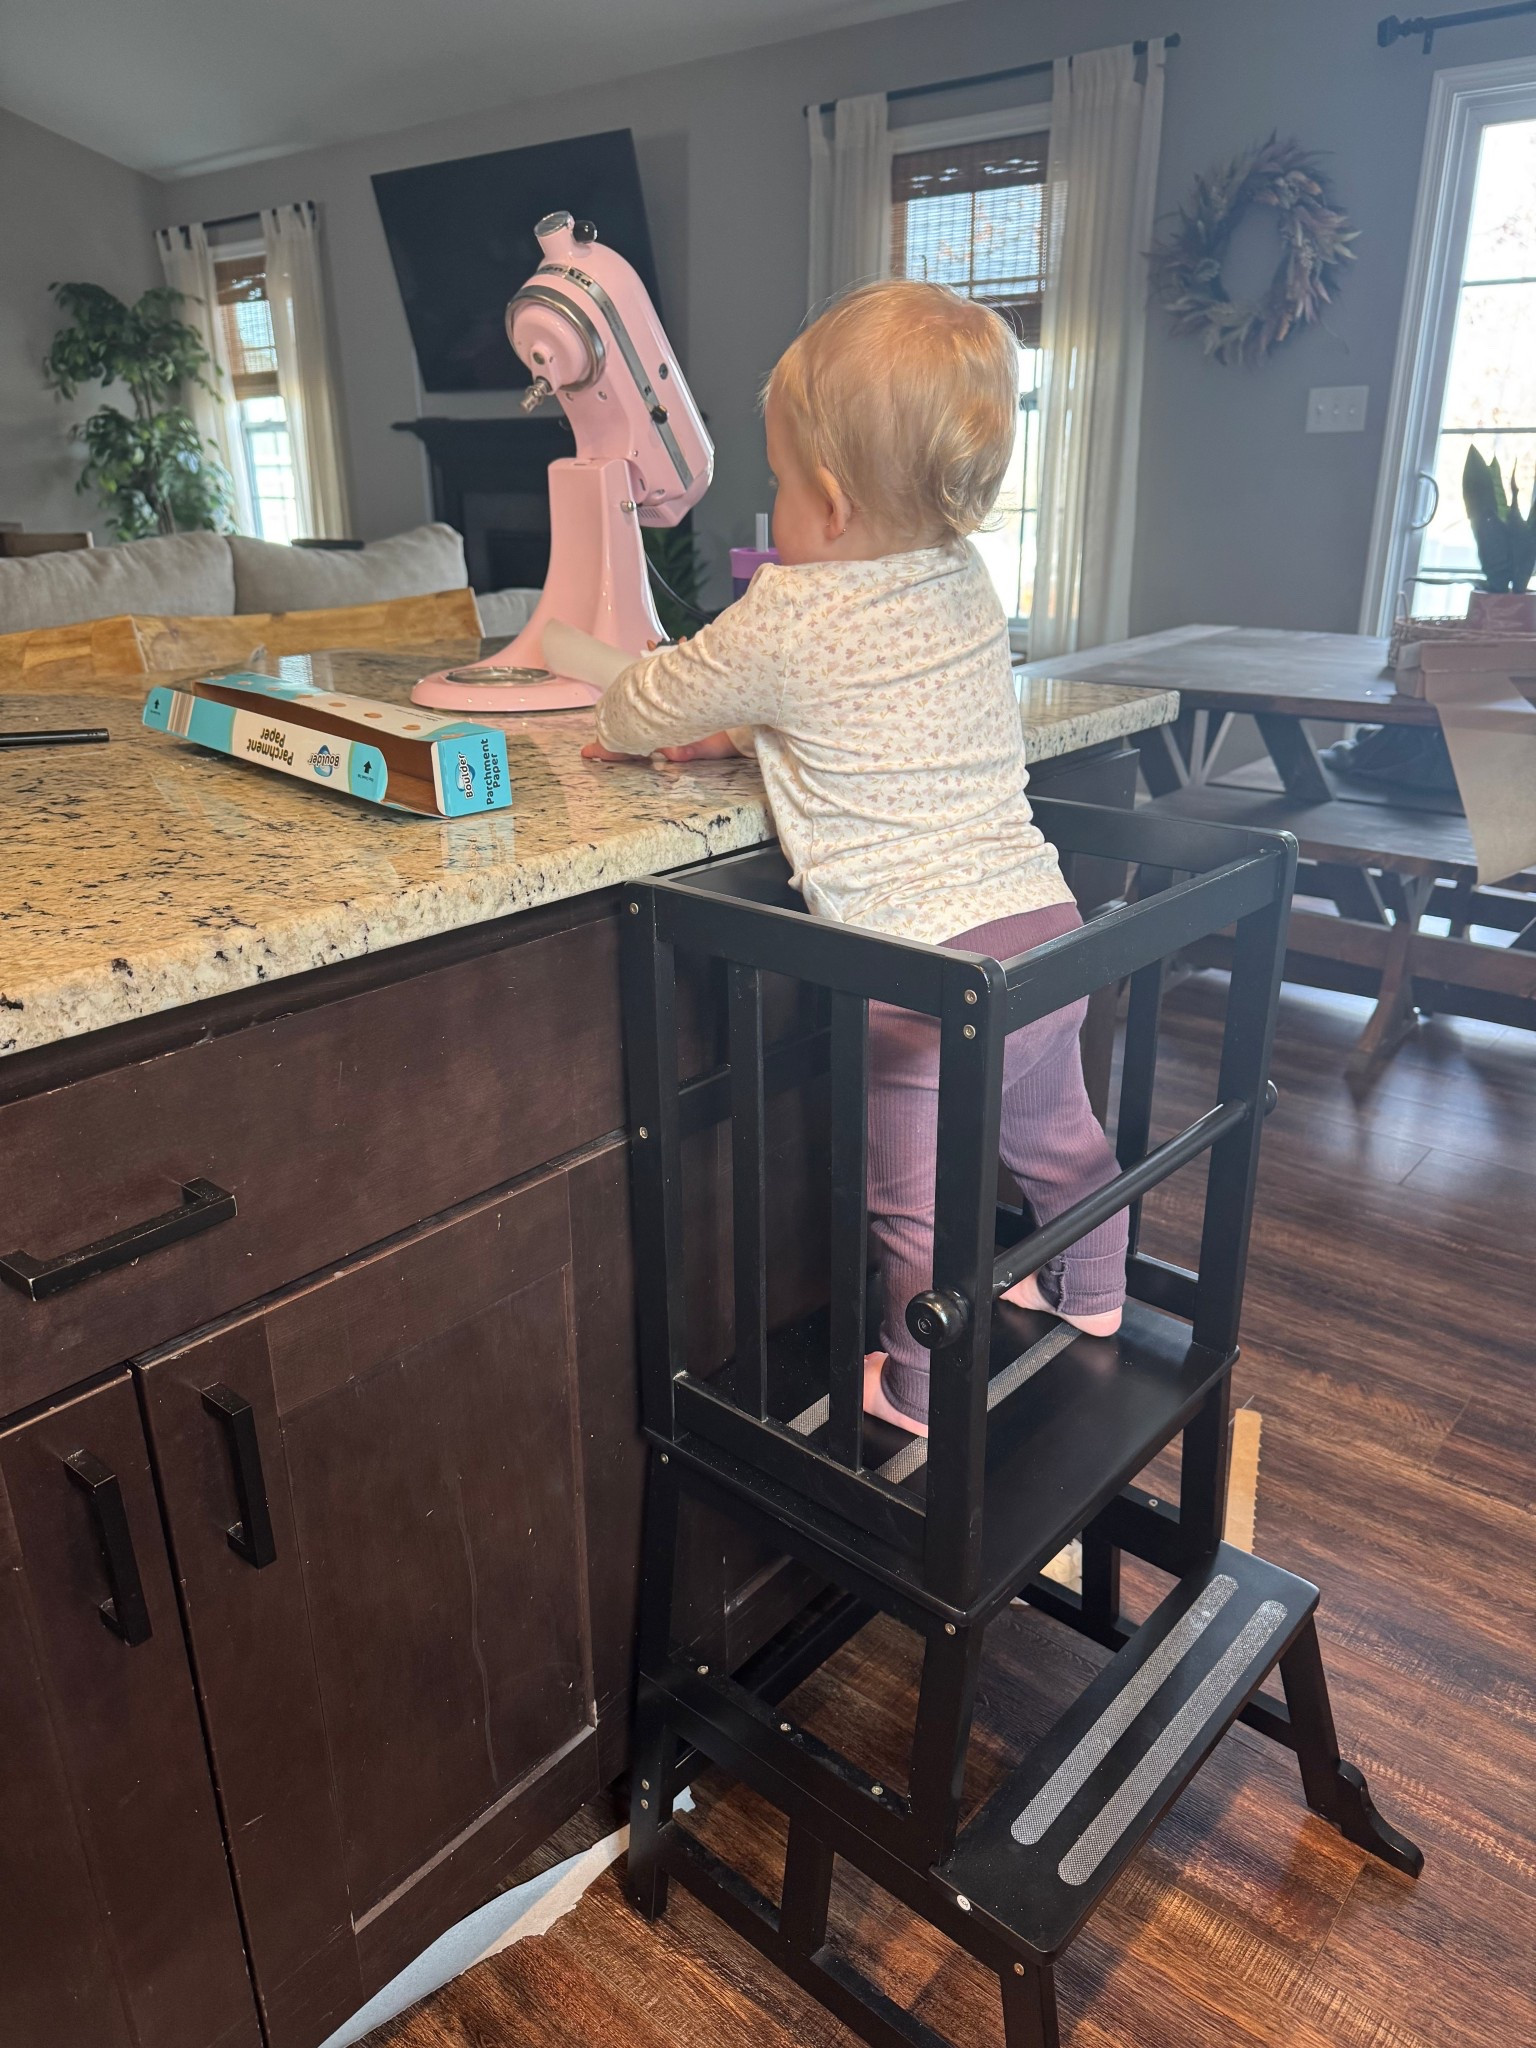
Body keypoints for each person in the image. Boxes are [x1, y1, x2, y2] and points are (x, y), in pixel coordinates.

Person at [581, 280, 1126, 1436]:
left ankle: (919, 1384)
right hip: (1046, 926)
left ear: (826, 505)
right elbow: (871, 707)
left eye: (777, 480)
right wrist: (754, 720)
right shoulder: (967, 582)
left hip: (927, 981)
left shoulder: (789, 613)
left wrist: (674, 707)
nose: (772, 504)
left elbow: (639, 704)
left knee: (912, 1206)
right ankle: (1097, 1292)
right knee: (1058, 1136)